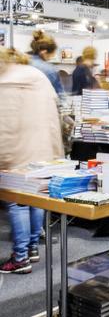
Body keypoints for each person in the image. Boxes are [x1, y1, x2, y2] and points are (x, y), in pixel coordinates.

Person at [0, 48, 63, 274]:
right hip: (43, 152)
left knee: (16, 203)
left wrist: (3, 159)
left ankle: (20, 257)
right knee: (36, 199)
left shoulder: (7, 81)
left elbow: (4, 126)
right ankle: (33, 247)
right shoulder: (38, 76)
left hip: (18, 153)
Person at [28, 30, 64, 98]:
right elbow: (60, 95)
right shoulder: (50, 70)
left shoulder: (21, 62)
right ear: (44, 52)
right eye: (51, 55)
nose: (51, 58)